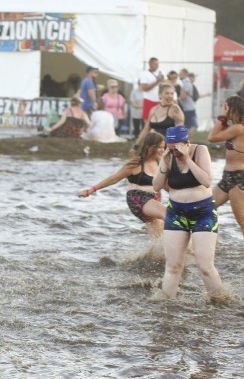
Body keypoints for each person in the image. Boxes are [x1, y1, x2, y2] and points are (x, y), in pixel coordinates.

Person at [153, 126, 224, 300]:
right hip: (176, 212)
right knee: (173, 266)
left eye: (176, 148)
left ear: (187, 143)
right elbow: (156, 186)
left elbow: (206, 181)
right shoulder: (169, 157)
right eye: (170, 148)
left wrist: (187, 158)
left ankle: (221, 304)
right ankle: (165, 307)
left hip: (203, 212)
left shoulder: (200, 150)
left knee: (205, 267)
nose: (173, 152)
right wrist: (164, 162)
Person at [78, 131, 166, 238]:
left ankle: (159, 253)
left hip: (154, 199)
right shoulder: (136, 164)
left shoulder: (162, 164)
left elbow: (167, 186)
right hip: (138, 198)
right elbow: (114, 179)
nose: (162, 150)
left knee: (160, 236)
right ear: (149, 147)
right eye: (160, 147)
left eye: (164, 147)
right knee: (169, 214)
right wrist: (90, 190)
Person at [208, 95, 244, 236]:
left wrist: (221, 117)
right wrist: (224, 121)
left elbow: (211, 137)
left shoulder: (238, 128)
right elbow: (219, 133)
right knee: (205, 207)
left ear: (231, 109)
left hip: (238, 179)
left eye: (224, 107)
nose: (222, 109)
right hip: (228, 177)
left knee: (242, 221)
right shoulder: (235, 127)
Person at [138, 56, 165, 121]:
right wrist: (157, 82)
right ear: (150, 64)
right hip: (149, 100)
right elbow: (144, 88)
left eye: (158, 64)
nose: (157, 66)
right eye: (155, 64)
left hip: (159, 100)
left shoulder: (161, 72)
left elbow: (165, 84)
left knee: (160, 121)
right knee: (148, 121)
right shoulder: (144, 74)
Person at [178, 68, 197, 136]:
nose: (179, 75)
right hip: (189, 108)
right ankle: (187, 141)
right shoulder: (186, 83)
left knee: (189, 126)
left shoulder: (186, 83)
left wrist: (176, 100)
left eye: (180, 74)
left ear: (185, 74)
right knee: (190, 126)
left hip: (188, 108)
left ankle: (188, 141)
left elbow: (183, 97)